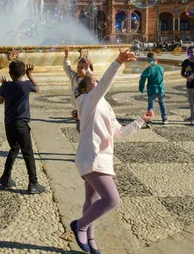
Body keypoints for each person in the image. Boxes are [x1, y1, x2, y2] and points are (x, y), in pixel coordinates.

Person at [70, 49, 153, 254]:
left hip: (103, 159)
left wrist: (140, 121)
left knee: (92, 201)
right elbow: (104, 84)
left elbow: (120, 133)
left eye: (98, 80)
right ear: (85, 89)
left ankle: (91, 240)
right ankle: (79, 226)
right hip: (92, 158)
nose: (97, 83)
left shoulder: (105, 106)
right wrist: (117, 62)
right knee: (112, 200)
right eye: (94, 81)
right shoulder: (87, 101)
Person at [0, 61, 46, 194]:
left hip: (9, 124)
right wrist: (30, 75)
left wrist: (5, 88)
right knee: (28, 153)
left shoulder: (6, 86)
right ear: (23, 73)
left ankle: (6, 177)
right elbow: (38, 89)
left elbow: (0, 101)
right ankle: (33, 183)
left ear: (10, 74)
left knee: (14, 148)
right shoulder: (26, 85)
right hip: (21, 124)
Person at [63, 47, 93, 131]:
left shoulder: (88, 79)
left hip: (87, 106)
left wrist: (88, 69)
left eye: (82, 68)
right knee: (79, 126)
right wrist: (66, 57)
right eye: (78, 67)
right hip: (77, 106)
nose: (79, 69)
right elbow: (67, 69)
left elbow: (93, 76)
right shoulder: (74, 77)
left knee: (84, 125)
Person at [139, 52, 168, 123]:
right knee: (162, 103)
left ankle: (149, 119)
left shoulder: (148, 69)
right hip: (161, 89)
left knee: (151, 106)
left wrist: (141, 88)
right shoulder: (161, 68)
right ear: (157, 60)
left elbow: (143, 78)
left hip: (151, 90)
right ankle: (164, 118)